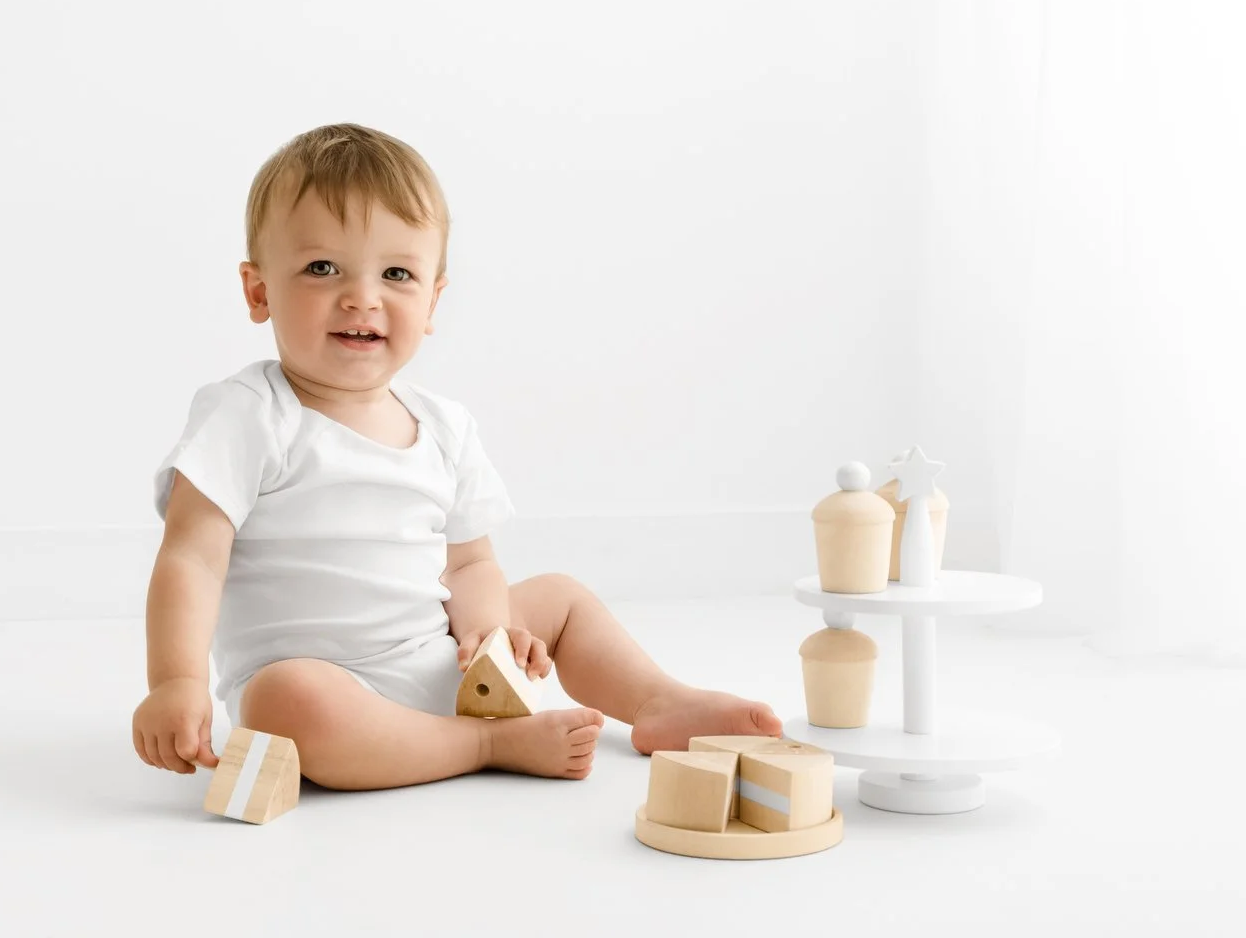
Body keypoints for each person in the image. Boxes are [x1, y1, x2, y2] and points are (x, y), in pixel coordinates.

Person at [131, 123, 782, 790]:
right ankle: (484, 744)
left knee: (560, 598)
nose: (362, 297)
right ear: (259, 291)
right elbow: (191, 558)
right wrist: (176, 682)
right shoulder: (247, 415)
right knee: (284, 700)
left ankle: (655, 701)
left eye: (397, 274)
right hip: (330, 692)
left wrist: (490, 635)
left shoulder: (443, 425)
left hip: (443, 661)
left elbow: (470, 563)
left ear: (432, 301)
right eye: (322, 268)